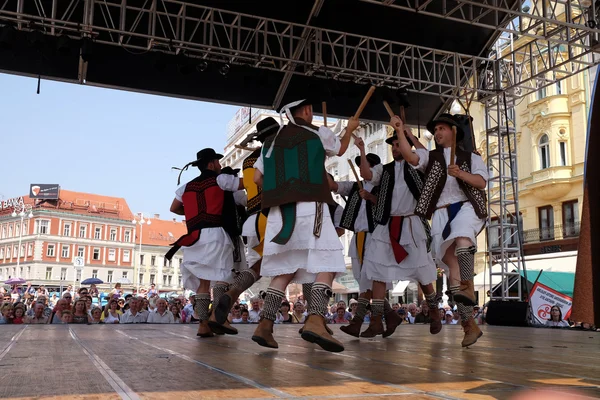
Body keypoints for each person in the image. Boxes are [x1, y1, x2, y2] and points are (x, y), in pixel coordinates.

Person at [251, 96, 359, 352]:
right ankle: (316, 320)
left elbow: (257, 178)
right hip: (311, 206)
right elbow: (341, 149)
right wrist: (350, 129)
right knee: (329, 261)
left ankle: (265, 325)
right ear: (308, 110)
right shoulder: (317, 132)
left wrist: (283, 190)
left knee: (285, 270)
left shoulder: (270, 141)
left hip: (280, 214)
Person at [396, 113, 488, 347]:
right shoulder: (431, 156)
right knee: (450, 266)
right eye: (435, 130)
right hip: (440, 214)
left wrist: (461, 174)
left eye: (441, 129)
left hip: (466, 207)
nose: (436, 133)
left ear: (454, 131)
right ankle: (469, 325)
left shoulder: (471, 157)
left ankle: (468, 287)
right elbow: (411, 156)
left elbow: (481, 182)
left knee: (463, 237)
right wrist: (399, 131)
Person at [357, 124, 441, 338]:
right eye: (393, 145)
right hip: (386, 225)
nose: (395, 148)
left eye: (398, 144)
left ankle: (434, 312)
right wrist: (361, 150)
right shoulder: (384, 170)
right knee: (376, 271)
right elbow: (366, 175)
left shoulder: (418, 165)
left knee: (422, 273)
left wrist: (410, 136)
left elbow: (427, 157)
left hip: (412, 224)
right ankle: (376, 322)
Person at [168, 148, 247, 337]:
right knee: (221, 277)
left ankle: (203, 324)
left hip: (194, 236)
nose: (220, 166)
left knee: (203, 282)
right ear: (211, 164)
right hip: (216, 234)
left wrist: (192, 214)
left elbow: (174, 208)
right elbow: (249, 182)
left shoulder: (185, 187)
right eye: (218, 163)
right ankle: (217, 319)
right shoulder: (220, 180)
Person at [215, 118, 280, 325]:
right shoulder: (278, 155)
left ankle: (229, 297)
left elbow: (246, 187)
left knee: (261, 267)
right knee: (290, 268)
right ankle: (268, 321)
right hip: (274, 216)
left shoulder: (248, 161)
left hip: (253, 221)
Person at [328, 152, 383, 337]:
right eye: (360, 166)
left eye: (364, 166)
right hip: (358, 237)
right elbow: (334, 186)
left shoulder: (382, 186)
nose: (361, 170)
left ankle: (359, 322)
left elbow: (390, 208)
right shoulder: (354, 187)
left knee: (370, 282)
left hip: (376, 237)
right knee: (364, 281)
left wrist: (372, 198)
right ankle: (387, 317)